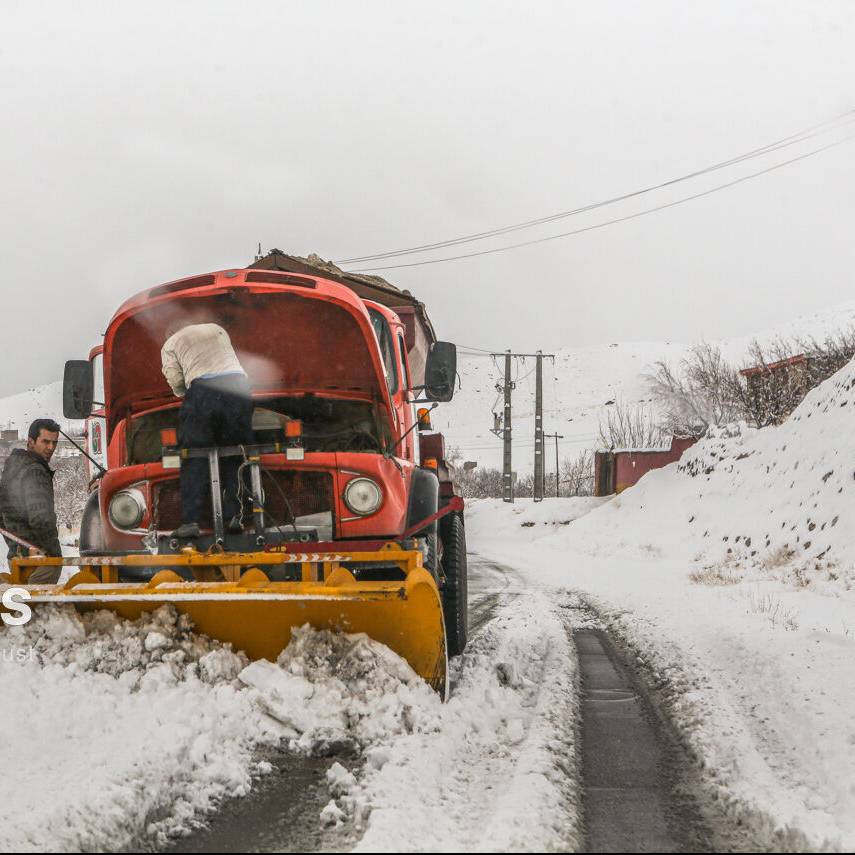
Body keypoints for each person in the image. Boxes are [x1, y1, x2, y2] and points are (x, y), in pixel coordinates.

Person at [161, 322, 254, 538]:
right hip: (238, 388)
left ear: (171, 333)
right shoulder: (217, 328)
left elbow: (176, 382)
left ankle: (191, 521)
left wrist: (187, 395)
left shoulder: (171, 343)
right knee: (235, 453)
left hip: (203, 393)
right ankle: (235, 516)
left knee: (195, 455)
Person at [0, 418, 63, 583]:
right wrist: (53, 553)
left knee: (20, 605)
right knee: (36, 606)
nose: (51, 448)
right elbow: (41, 517)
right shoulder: (35, 470)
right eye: (45, 441)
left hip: (16, 557)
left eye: (54, 442)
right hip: (40, 560)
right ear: (31, 441)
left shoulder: (13, 466)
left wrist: (15, 546)